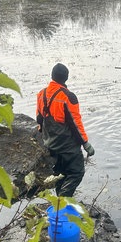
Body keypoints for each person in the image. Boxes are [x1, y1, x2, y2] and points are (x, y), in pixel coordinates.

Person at [36, 63, 95, 197]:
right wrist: (85, 143)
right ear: (66, 78)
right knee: (77, 172)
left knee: (59, 174)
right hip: (67, 145)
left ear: (52, 76)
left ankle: (59, 202)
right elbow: (75, 123)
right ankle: (63, 200)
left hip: (50, 143)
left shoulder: (41, 94)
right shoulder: (68, 96)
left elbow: (39, 119)